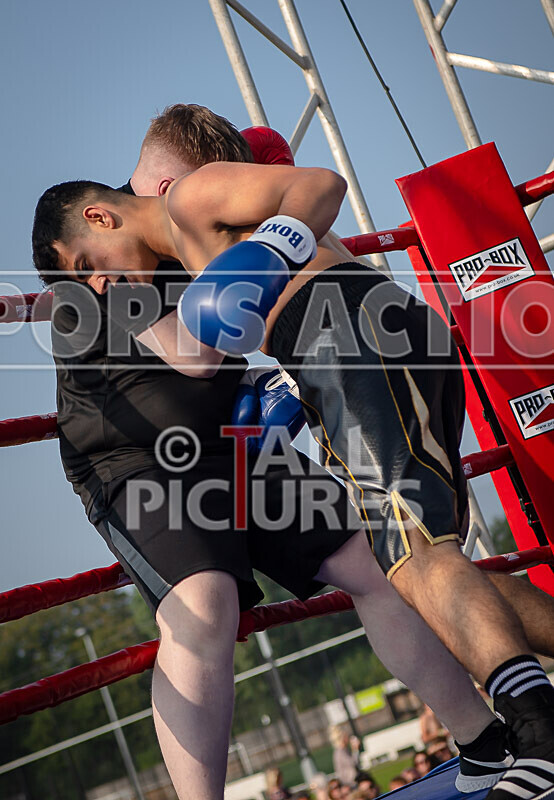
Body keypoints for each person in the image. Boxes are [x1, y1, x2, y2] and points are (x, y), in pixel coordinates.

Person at [32, 107, 554, 800]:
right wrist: (27, 308)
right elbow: (189, 354)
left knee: (419, 555)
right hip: (328, 361)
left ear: (115, 209)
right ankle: (499, 742)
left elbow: (316, 184)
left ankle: (538, 738)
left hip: (350, 343)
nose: (96, 285)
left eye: (87, 269)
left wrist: (273, 246)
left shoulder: (186, 202)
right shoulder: (150, 265)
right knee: (408, 560)